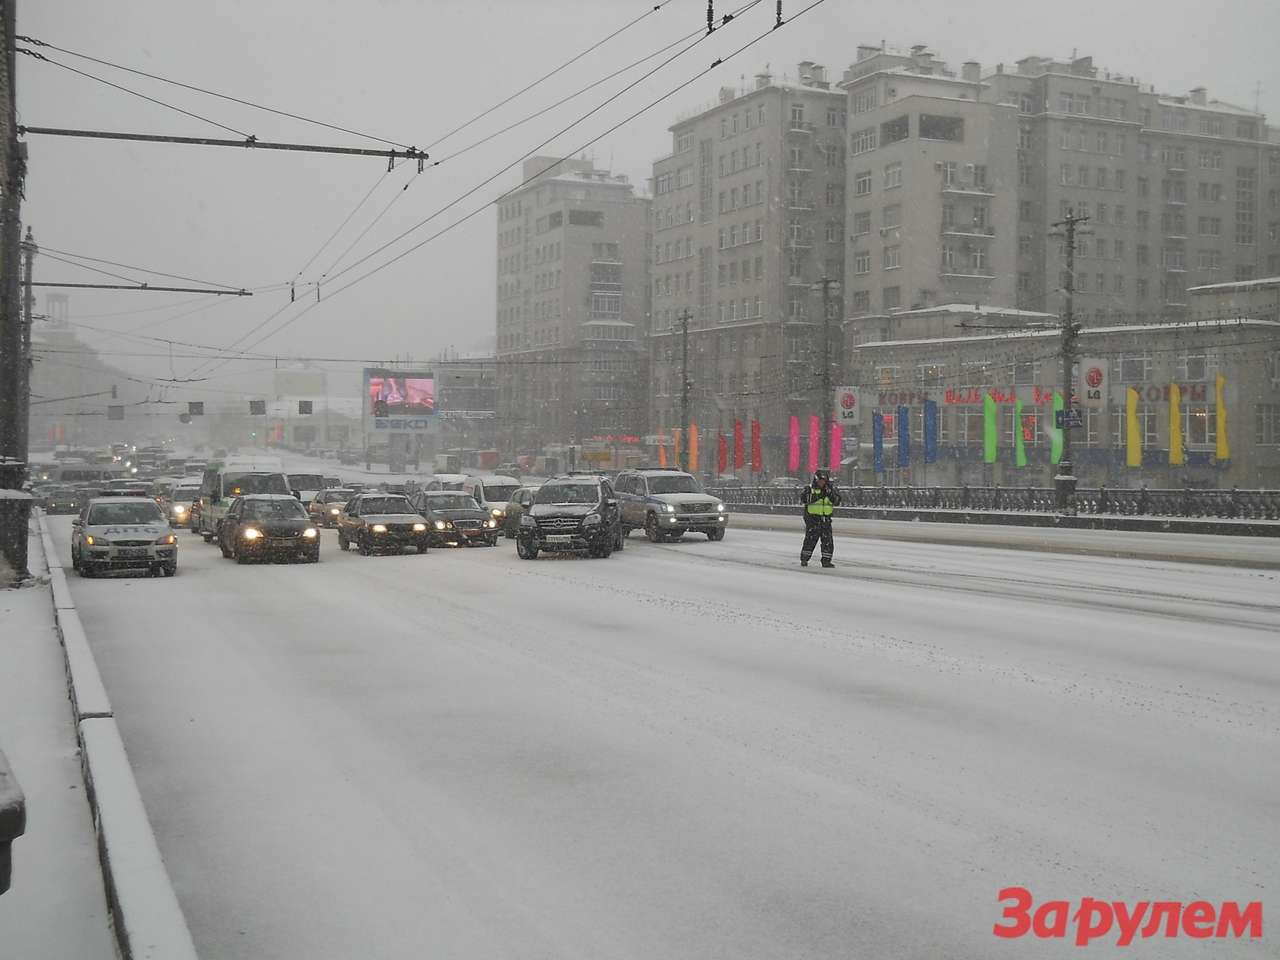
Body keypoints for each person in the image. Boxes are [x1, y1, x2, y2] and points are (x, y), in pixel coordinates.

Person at [800, 468, 841, 568]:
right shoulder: (809, 489)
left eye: (824, 481)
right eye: (820, 481)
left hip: (826, 519)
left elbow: (837, 501)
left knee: (828, 541)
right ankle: (804, 559)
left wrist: (830, 494)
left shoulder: (830, 490)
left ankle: (826, 561)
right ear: (816, 480)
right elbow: (804, 499)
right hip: (813, 519)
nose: (822, 483)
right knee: (810, 541)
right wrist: (818, 496)